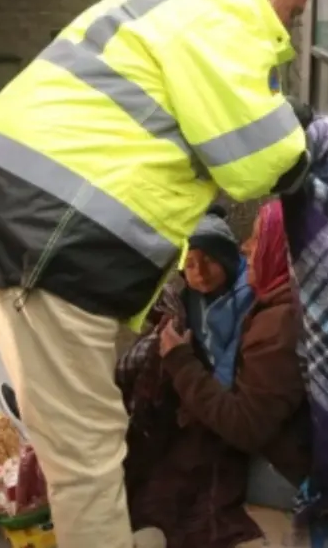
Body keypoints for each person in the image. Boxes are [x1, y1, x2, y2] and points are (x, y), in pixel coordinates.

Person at [0, 0, 316, 548]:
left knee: (84, 431)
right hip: (42, 237)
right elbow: (254, 163)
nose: (288, 32)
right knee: (86, 448)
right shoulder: (226, 5)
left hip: (27, 219)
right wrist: (297, 141)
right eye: (291, 14)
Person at [119, 202, 309, 548]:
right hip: (242, 413)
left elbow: (243, 425)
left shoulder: (276, 321)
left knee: (192, 466)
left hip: (275, 458)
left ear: (279, 252)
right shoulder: (270, 300)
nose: (246, 247)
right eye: (190, 264)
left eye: (256, 239)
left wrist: (179, 359)